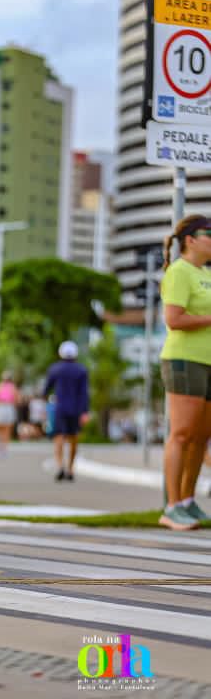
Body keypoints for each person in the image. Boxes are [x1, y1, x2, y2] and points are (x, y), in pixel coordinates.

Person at [159, 214, 211, 531]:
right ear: (190, 239)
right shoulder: (179, 271)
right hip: (183, 361)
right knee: (181, 434)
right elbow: (174, 319)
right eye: (209, 233)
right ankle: (172, 505)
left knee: (200, 437)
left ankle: (189, 501)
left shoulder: (204, 273)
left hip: (206, 362)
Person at [43, 341, 89, 481]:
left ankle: (60, 466)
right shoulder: (81, 370)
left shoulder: (55, 369)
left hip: (60, 408)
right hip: (76, 409)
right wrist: (85, 411)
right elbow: (84, 393)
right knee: (73, 438)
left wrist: (45, 398)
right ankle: (70, 469)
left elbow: (46, 389)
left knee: (59, 437)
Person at [0, 371, 20, 454]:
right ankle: (1, 444)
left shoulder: (6, 387)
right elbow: (18, 399)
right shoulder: (0, 386)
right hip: (3, 406)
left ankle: (3, 446)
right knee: (2, 427)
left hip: (5, 406)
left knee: (6, 427)